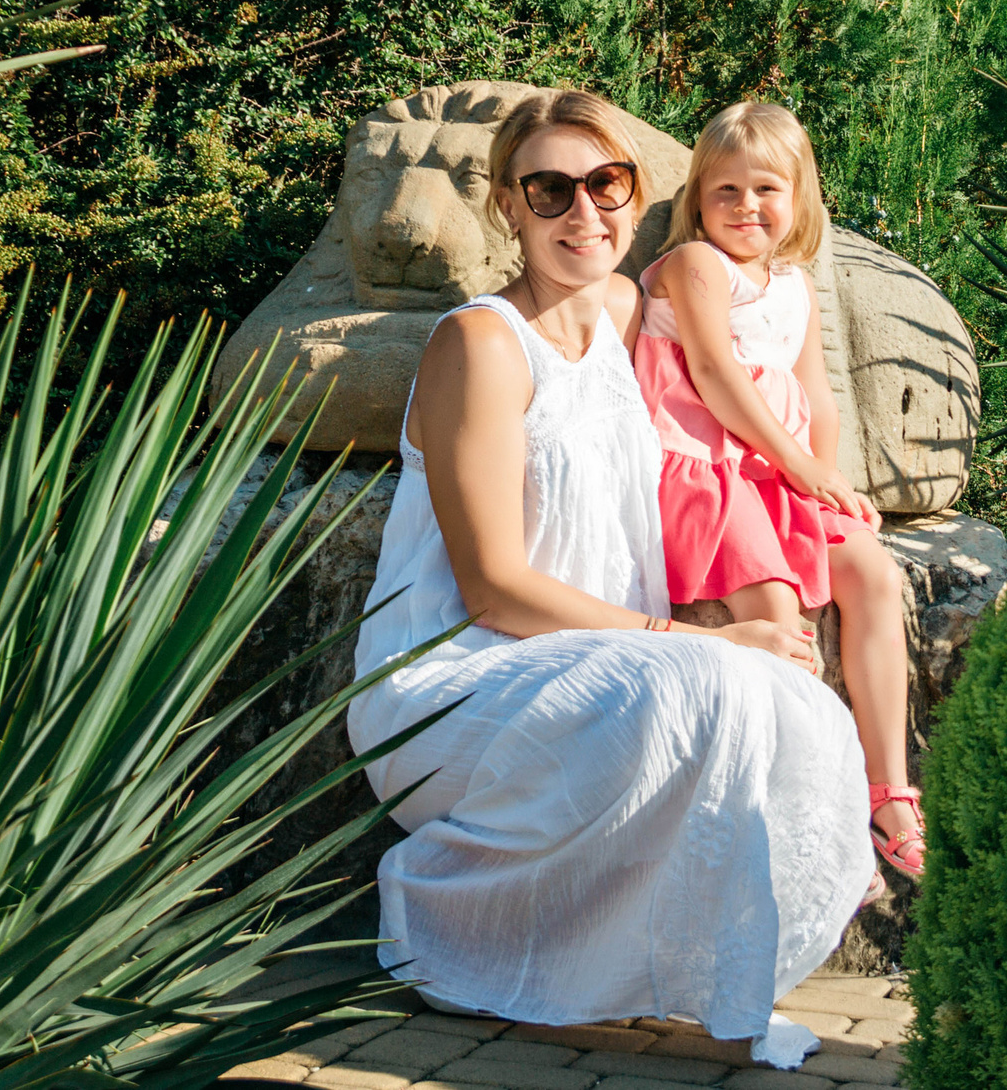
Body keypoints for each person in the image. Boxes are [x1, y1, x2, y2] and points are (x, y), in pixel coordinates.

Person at [348, 88, 875, 1042]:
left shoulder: (634, 312)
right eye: (549, 190)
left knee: (795, 705)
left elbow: (749, 373)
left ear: (638, 195)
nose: (583, 212)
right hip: (454, 678)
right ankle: (439, 915)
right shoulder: (481, 344)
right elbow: (493, 588)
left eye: (606, 183)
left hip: (607, 668)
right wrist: (695, 639)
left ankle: (673, 962)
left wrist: (818, 519)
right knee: (704, 687)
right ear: (508, 204)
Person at [635, 103, 925, 878]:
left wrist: (821, 489)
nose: (745, 206)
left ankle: (887, 786)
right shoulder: (697, 265)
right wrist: (805, 469)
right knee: (774, 607)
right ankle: (810, 813)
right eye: (724, 189)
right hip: (701, 469)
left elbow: (816, 393)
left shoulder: (793, 285)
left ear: (799, 196)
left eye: (766, 187)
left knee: (871, 570)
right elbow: (715, 376)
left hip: (774, 476)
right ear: (697, 198)